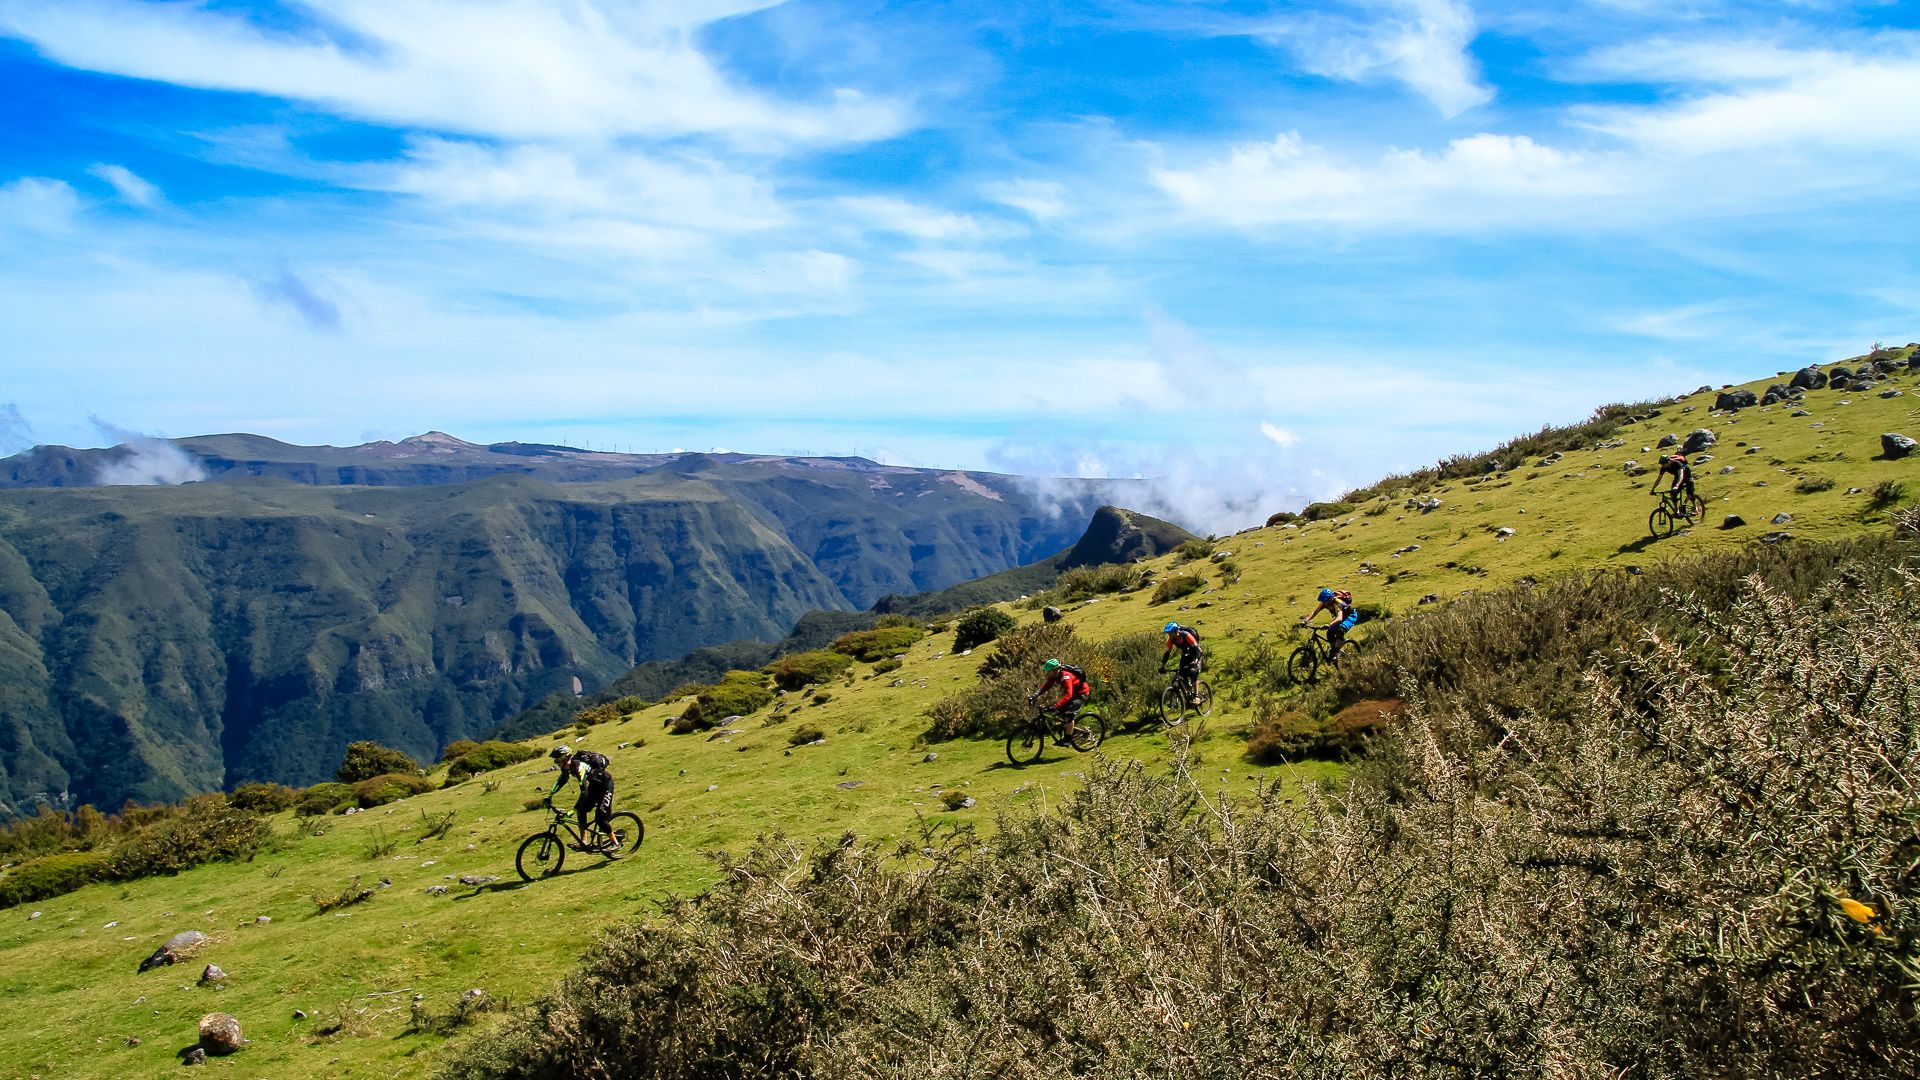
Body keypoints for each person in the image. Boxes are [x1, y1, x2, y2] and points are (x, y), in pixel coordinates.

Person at [547, 745, 614, 851]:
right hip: (594, 786)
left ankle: (615, 842)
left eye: (556, 759)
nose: (555, 762)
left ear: (563, 758)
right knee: (582, 811)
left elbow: (584, 792)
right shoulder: (566, 767)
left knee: (600, 819)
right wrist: (550, 795)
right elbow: (562, 780)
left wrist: (573, 810)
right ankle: (584, 842)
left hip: (605, 786)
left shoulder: (578, 767)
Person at [1028, 658, 1090, 742]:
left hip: (1081, 693)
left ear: (1055, 670)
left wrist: (1056, 706)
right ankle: (1070, 729)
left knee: (1068, 714)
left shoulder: (1066, 677)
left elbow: (1069, 695)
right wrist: (1034, 695)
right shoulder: (1054, 676)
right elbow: (1046, 686)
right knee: (1060, 712)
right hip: (1073, 693)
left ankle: (1068, 739)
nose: (1046, 673)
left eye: (1048, 671)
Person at [1302, 587, 1357, 660]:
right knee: (1330, 633)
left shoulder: (1337, 603)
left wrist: (1329, 624)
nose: (1323, 603)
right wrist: (1306, 620)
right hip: (1340, 617)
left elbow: (1340, 617)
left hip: (1350, 616)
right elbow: (1315, 612)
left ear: (1330, 599)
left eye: (1325, 601)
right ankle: (1334, 652)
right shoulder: (1324, 603)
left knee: (1340, 631)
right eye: (1322, 601)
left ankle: (1336, 653)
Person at [1159, 621, 1204, 706]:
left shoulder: (1186, 635)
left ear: (1176, 632)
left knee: (1193, 672)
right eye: (1168, 634)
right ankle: (1189, 692)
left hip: (1195, 655)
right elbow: (1167, 653)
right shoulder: (1171, 640)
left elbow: (1197, 649)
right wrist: (1162, 666)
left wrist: (1195, 662)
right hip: (1185, 655)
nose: (1169, 636)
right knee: (1181, 675)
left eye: (1170, 633)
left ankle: (1197, 697)